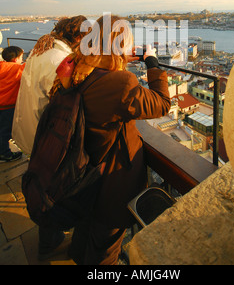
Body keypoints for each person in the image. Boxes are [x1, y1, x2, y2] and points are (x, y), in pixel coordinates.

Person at [50, 14, 171, 265]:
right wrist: (152, 63)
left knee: (86, 226)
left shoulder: (73, 68)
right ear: (119, 45)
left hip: (80, 171)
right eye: (127, 42)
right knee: (106, 244)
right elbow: (161, 104)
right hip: (110, 176)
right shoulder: (120, 83)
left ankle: (77, 255)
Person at [12, 15, 87, 157]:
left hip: (29, 127)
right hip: (45, 135)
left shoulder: (41, 50)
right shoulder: (61, 60)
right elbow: (64, 101)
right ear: (78, 38)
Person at [0, 46, 25, 163]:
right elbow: (28, 68)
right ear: (15, 59)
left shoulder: (0, 67)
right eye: (21, 57)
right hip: (8, 104)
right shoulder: (17, 69)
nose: (22, 60)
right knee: (5, 131)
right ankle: (5, 154)